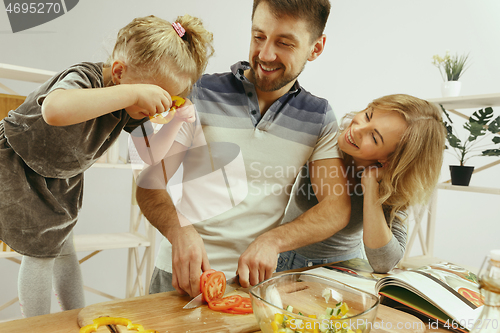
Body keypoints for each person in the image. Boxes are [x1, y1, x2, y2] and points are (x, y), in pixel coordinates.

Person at [0, 15, 214, 317]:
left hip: (59, 177)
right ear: (119, 72)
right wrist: (134, 94)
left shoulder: (131, 108)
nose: (157, 107)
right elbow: (54, 110)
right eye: (154, 96)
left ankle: (76, 318)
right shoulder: (85, 78)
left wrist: (175, 122)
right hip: (17, 161)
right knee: (40, 254)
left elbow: (150, 154)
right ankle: (36, 326)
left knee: (64, 251)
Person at [136, 0, 352, 298]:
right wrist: (179, 232)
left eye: (285, 43)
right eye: (258, 36)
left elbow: (336, 207)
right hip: (179, 276)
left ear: (316, 47)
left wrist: (274, 241)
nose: (265, 54)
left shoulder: (319, 117)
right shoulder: (198, 92)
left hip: (251, 286)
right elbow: (149, 184)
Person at [276, 94, 446, 273]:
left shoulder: (389, 185)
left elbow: (384, 262)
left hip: (343, 270)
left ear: (390, 159)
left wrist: (371, 185)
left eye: (374, 138)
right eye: (368, 115)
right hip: (286, 260)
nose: (357, 129)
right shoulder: (325, 139)